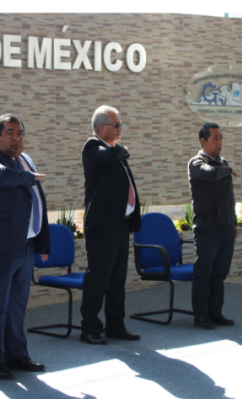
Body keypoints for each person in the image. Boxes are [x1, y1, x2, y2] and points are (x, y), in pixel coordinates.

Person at [0, 114, 51, 380]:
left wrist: (42, 240)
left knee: (18, 305)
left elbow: (37, 202)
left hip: (26, 245)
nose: (16, 138)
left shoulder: (26, 160)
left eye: (20, 133)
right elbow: (0, 176)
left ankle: (17, 354)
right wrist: (26, 176)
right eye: (10, 133)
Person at [79, 105, 142, 345]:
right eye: (116, 125)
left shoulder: (114, 150)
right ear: (101, 127)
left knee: (117, 278)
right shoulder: (93, 147)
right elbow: (111, 156)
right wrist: (122, 149)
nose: (120, 128)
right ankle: (90, 328)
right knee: (98, 278)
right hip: (102, 225)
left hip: (120, 224)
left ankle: (115, 325)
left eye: (120, 124)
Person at [187, 123, 239, 330]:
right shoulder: (196, 162)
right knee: (203, 274)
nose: (219, 142)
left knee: (219, 274)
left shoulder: (223, 162)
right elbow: (209, 173)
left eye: (221, 138)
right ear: (203, 141)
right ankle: (201, 316)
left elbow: (230, 198)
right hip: (207, 227)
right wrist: (227, 170)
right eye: (215, 138)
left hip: (226, 227)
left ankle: (215, 313)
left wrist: (233, 222)